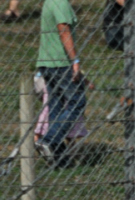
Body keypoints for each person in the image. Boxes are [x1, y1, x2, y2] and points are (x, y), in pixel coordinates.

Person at [35, 0, 87, 163]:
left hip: (48, 62)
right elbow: (63, 30)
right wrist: (75, 60)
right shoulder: (60, 2)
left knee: (55, 107)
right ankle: (49, 140)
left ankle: (57, 157)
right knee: (77, 102)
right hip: (61, 63)